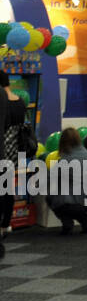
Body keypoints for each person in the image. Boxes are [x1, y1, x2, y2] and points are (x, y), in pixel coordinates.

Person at [0, 70, 33, 257]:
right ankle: (7, 223)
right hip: (16, 151)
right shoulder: (19, 102)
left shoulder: (2, 100)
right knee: (8, 189)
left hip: (3, 149)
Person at [47, 128, 87, 234]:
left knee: (50, 197)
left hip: (70, 202)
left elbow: (49, 178)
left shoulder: (64, 160)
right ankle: (85, 219)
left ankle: (67, 222)